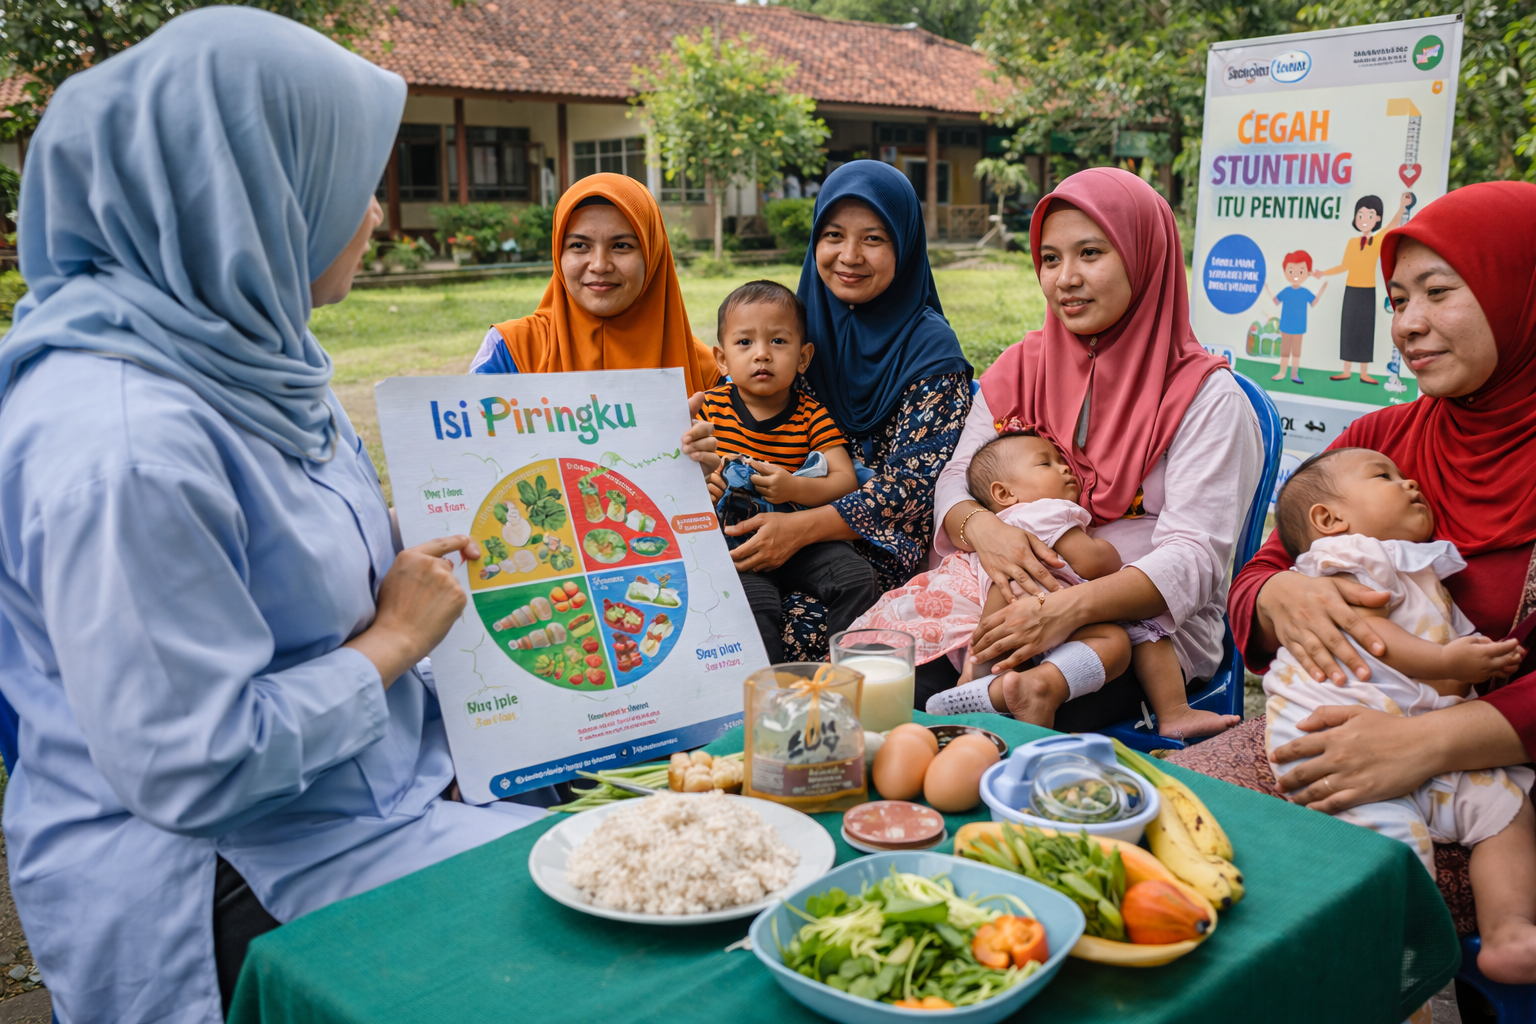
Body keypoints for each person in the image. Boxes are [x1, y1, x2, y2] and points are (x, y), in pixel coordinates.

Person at [0, 10, 553, 1022]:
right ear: (248, 196)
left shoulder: (245, 354)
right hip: (225, 871)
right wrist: (392, 642)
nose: (376, 215)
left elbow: (290, 554)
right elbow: (192, 766)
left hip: (358, 795)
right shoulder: (124, 445)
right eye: (351, 180)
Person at [1198, 180, 1536, 981]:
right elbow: (1263, 572)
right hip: (1343, 734)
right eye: (1397, 300)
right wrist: (1280, 594)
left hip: (1498, 772)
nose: (1408, 324)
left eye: (1439, 292)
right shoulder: (1385, 439)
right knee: (1184, 828)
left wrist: (1422, 744)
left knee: (1311, 906)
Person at [929, 167, 1263, 733]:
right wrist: (985, 531)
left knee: (1020, 719)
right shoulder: (1022, 369)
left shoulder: (1205, 398)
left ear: (1143, 257)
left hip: (1142, 635)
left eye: (1090, 253)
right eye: (1050, 259)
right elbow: (957, 477)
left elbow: (1194, 556)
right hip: (1007, 602)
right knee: (908, 688)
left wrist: (1064, 609)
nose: (1066, 279)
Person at [1262, 448, 1534, 974]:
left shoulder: (1418, 568)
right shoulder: (1347, 556)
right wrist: (1448, 660)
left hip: (1419, 738)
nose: (1410, 483)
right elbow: (1372, 631)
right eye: (1384, 476)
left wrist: (1473, 660)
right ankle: (1389, 966)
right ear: (1329, 519)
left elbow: (1443, 640)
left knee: (1508, 807)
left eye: (1405, 475)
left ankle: (1510, 932)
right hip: (1334, 743)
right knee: (1390, 847)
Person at [724, 160, 973, 662]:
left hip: (871, 543)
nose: (849, 256)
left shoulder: (930, 349)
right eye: (833, 235)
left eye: (873, 239)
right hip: (768, 523)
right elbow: (738, 415)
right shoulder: (791, 327)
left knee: (796, 635)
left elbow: (910, 488)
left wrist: (800, 529)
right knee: (719, 612)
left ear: (904, 244)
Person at [859, 430, 1225, 737]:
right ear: (1005, 494)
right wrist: (1110, 554)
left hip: (1007, 617)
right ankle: (1169, 711)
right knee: (1128, 638)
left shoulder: (1007, 524)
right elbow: (1094, 562)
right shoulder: (1047, 511)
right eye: (1045, 463)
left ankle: (976, 689)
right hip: (1045, 608)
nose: (1065, 467)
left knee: (994, 653)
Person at [468, 173, 721, 471]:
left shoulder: (706, 371)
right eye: (579, 245)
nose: (599, 265)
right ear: (558, 254)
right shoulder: (510, 351)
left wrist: (710, 475)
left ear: (652, 254)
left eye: (622, 245)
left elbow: (744, 472)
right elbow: (468, 464)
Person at [699, 280, 876, 661]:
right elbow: (681, 471)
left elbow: (845, 480)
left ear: (803, 357)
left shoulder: (811, 414)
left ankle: (849, 674)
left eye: (778, 341)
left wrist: (793, 488)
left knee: (857, 578)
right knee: (754, 604)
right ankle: (768, 687)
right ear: (722, 359)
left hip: (801, 539)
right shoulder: (710, 410)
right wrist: (703, 484)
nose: (762, 354)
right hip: (736, 543)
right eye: (745, 342)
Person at [1314, 192, 1412, 385]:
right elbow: (1344, 266)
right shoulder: (1352, 243)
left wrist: (1402, 206)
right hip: (1351, 290)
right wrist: (1323, 273)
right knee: (1348, 328)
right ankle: (1346, 370)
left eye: (1369, 215)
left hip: (1368, 291)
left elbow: (1391, 226)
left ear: (1377, 219)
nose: (1364, 219)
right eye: (1360, 215)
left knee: (1365, 330)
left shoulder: (1377, 241)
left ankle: (1364, 372)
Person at [1263, 250, 1327, 384]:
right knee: (1285, 352)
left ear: (1308, 273)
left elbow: (1314, 302)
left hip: (1299, 328)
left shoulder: (1305, 292)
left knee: (1296, 353)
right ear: (1285, 272)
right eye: (1291, 270)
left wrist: (1322, 289)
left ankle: (1294, 374)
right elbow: (1276, 301)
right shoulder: (1286, 291)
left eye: (1301, 271)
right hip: (1286, 326)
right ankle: (1282, 372)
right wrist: (1267, 290)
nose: (1296, 275)